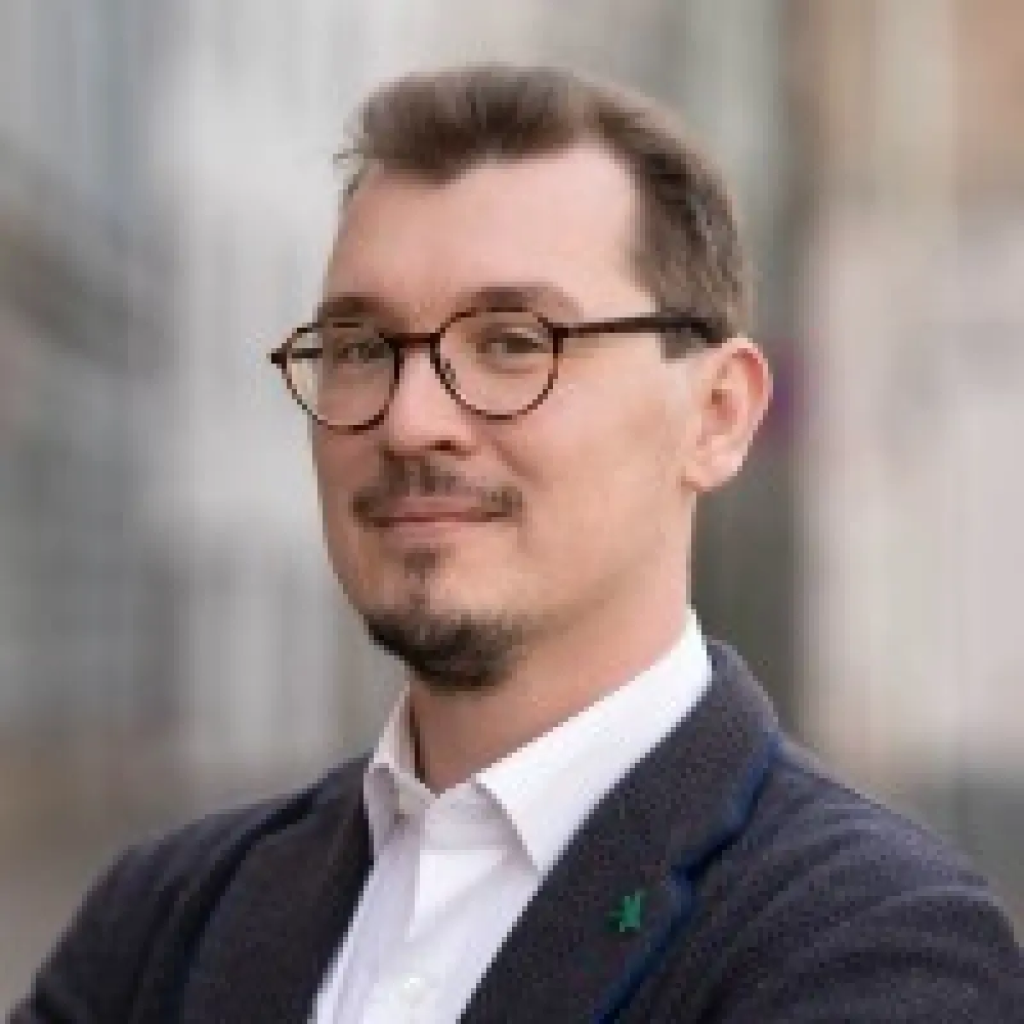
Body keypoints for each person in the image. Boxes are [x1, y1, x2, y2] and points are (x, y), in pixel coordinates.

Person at [12, 64, 1023, 1024]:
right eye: (360, 348)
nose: (410, 421)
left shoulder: (872, 946)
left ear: (717, 414)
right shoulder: (163, 921)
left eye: (511, 342)